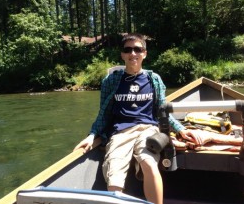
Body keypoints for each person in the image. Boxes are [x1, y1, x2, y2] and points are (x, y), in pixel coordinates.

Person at [74, 33, 203, 204]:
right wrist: (92, 135)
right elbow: (104, 113)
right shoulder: (111, 81)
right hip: (120, 132)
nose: (132, 54)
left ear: (144, 53)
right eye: (128, 50)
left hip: (147, 129)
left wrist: (181, 129)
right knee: (114, 176)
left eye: (137, 49)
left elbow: (161, 110)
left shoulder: (154, 79)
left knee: (148, 162)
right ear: (122, 55)